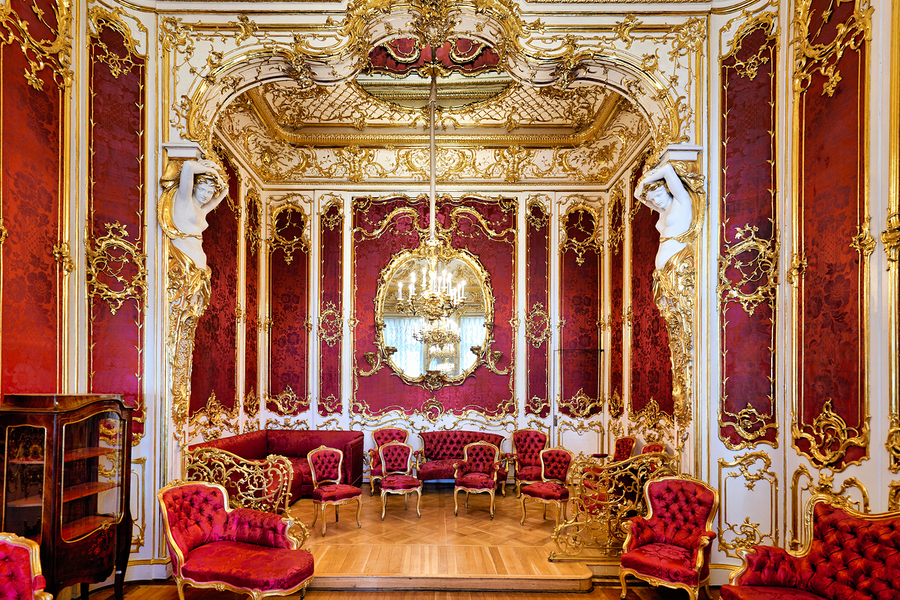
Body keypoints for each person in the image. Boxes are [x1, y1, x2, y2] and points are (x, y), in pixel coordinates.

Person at [165, 159, 228, 270]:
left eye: (210, 192)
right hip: (184, 254)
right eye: (202, 189)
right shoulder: (184, 201)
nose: (205, 195)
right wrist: (212, 171)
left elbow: (225, 190)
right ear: (194, 187)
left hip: (199, 258)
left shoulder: (203, 210)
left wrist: (215, 167)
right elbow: (188, 166)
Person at [634, 162, 694, 271]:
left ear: (667, 188)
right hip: (663, 270)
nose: (656, 201)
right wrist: (644, 184)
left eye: (658, 195)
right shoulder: (662, 210)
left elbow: (667, 169)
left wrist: (644, 182)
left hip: (678, 261)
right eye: (652, 199)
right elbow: (637, 195)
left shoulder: (681, 201)